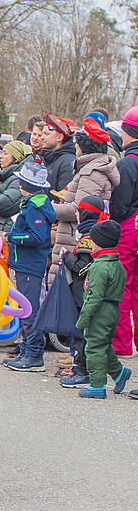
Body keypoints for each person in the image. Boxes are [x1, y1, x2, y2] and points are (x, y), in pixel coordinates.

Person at [48, 120, 119, 283]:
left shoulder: (91, 173)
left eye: (76, 143)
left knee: (64, 294)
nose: (75, 147)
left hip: (74, 239)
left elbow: (79, 210)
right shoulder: (92, 169)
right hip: (76, 236)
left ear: (84, 146)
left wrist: (49, 207)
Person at [2, 162, 56, 373]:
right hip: (25, 264)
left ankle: (34, 355)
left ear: (25, 184)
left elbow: (36, 237)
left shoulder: (35, 208)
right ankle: (27, 350)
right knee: (26, 308)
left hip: (30, 265)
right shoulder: (34, 204)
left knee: (29, 310)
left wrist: (9, 236)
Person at [75, 220, 132, 398]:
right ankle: (119, 373)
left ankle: (97, 385)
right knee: (103, 344)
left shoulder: (99, 266)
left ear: (99, 242)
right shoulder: (117, 264)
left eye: (92, 239)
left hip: (99, 311)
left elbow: (94, 297)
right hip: (113, 309)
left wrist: (84, 318)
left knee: (93, 348)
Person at [58, 196, 107, 387]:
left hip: (82, 294)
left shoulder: (88, 239)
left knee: (81, 335)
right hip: (84, 293)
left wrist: (67, 256)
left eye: (78, 211)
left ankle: (82, 371)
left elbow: (82, 267)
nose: (76, 215)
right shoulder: (93, 234)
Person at [109, 105, 138, 356]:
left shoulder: (128, 163)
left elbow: (120, 206)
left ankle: (121, 343)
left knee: (122, 286)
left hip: (129, 229)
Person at [0, 140, 32, 234]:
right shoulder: (6, 177)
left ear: (16, 158)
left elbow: (1, 205)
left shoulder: (18, 179)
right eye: (1, 152)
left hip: (2, 233)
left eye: (5, 153)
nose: (0, 156)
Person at [41, 112, 77, 193]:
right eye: (42, 133)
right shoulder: (48, 157)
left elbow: (62, 197)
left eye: (46, 134)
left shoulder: (68, 163)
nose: (42, 138)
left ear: (59, 137)